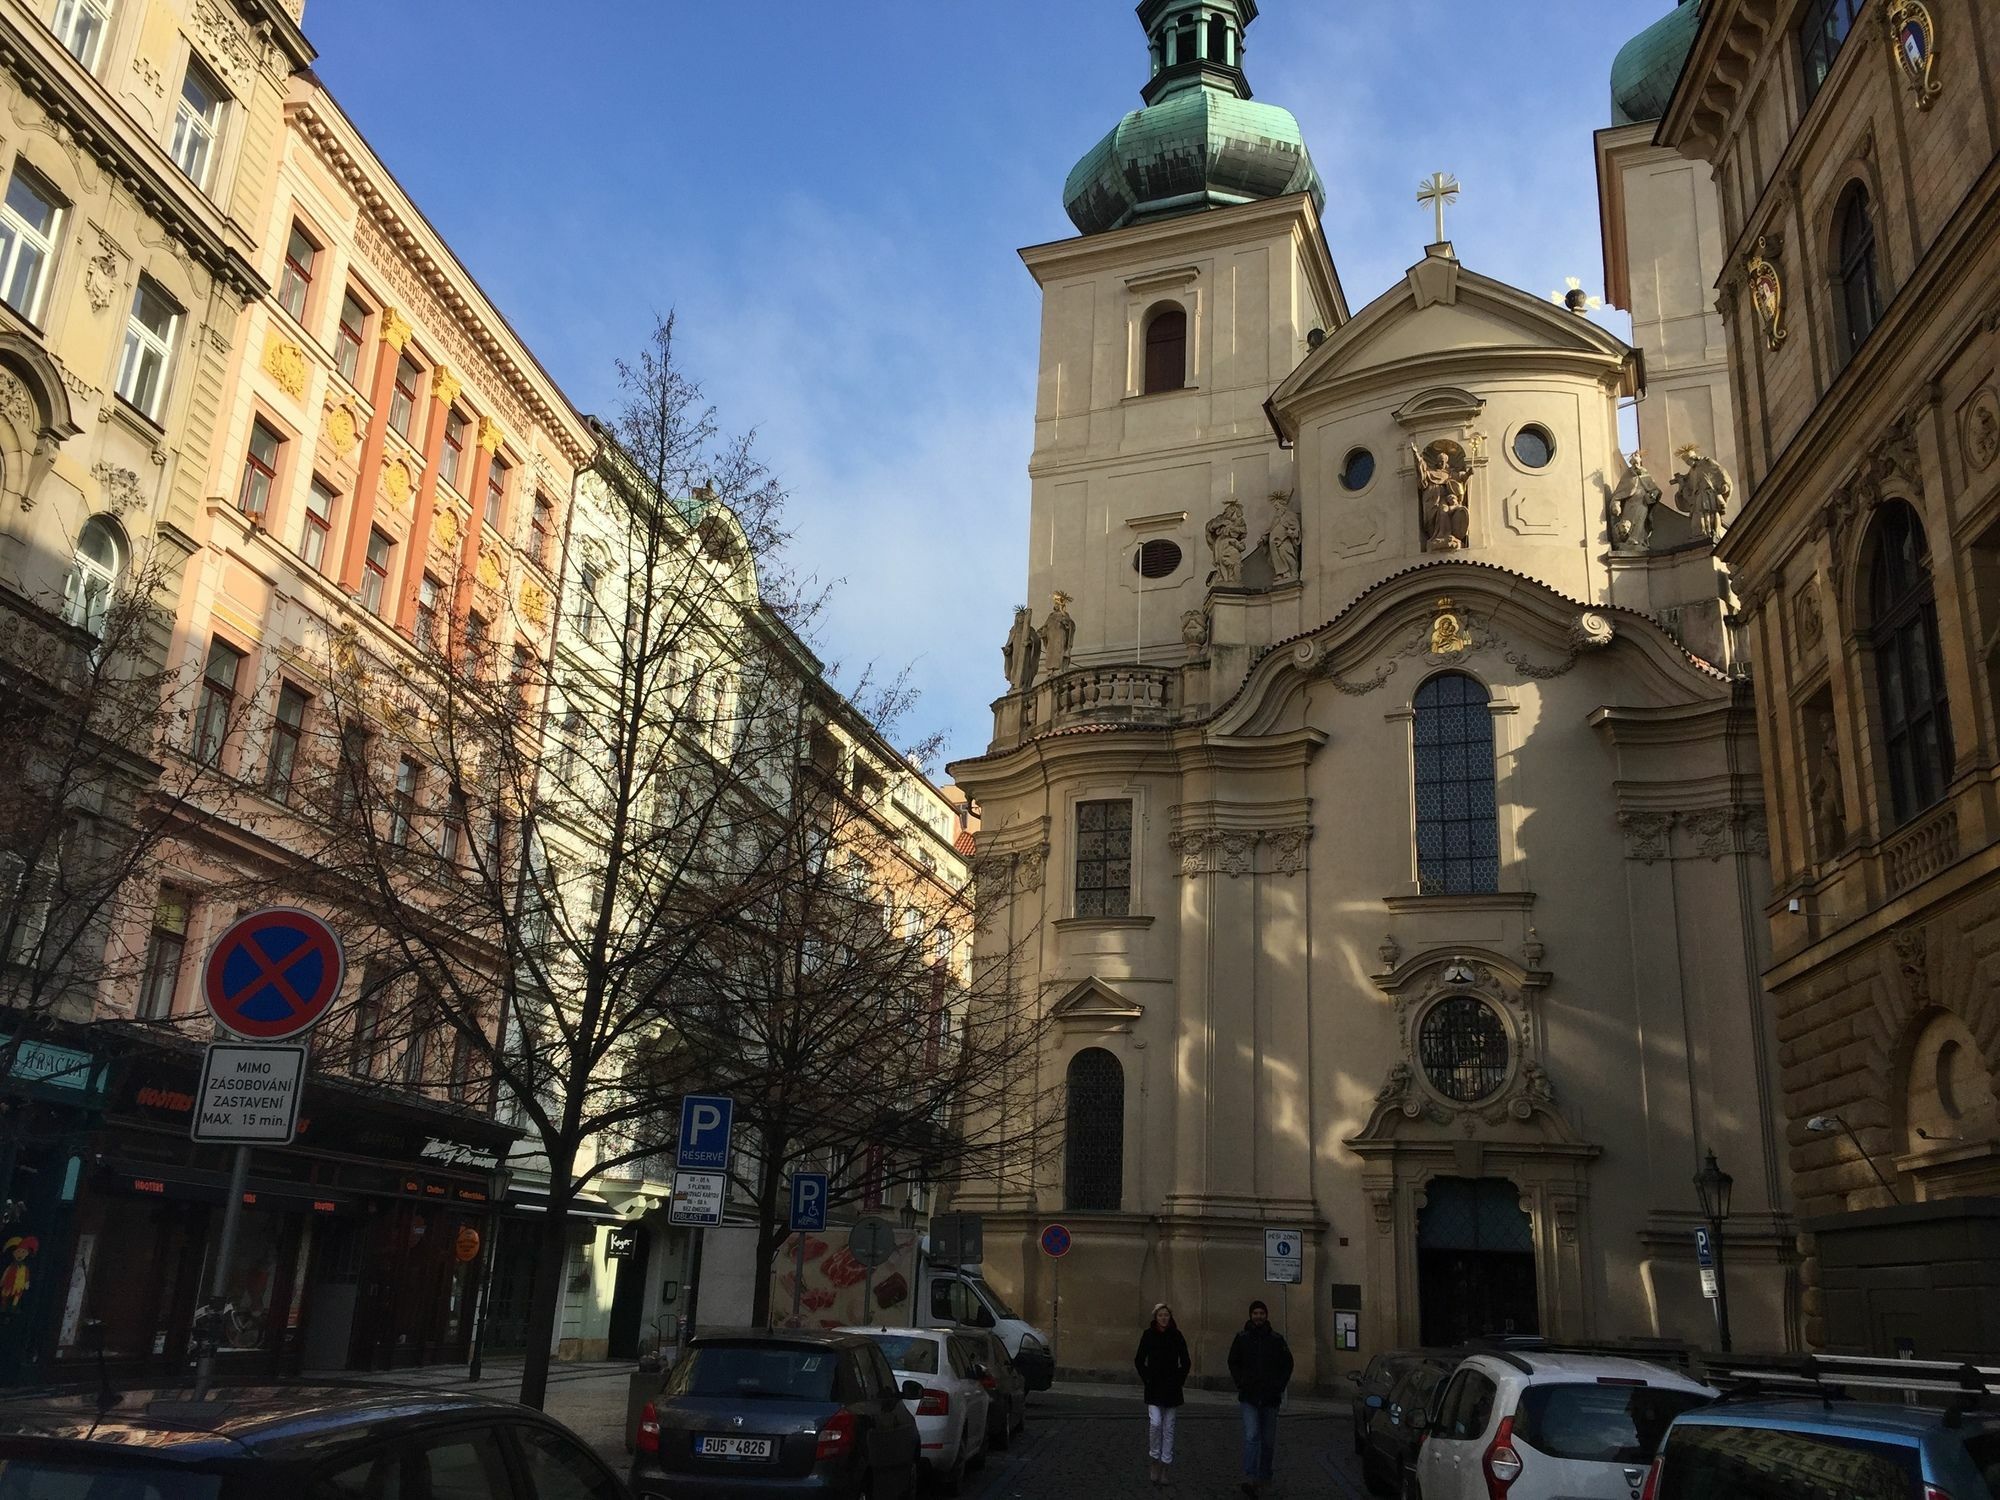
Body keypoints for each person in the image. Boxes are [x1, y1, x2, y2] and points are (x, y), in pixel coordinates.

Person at [1226, 1299, 1293, 1496]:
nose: (1258, 1316)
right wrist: (1241, 1381)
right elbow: (1233, 1362)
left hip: (1271, 1398)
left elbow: (1287, 1364)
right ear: (1250, 1315)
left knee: (1269, 1441)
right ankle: (1251, 1476)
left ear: (1266, 1315)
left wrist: (1279, 1386)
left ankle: (1265, 1476)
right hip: (1249, 1396)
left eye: (1261, 1313)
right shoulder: (1242, 1338)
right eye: (1255, 1313)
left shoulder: (1276, 1340)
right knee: (1252, 1436)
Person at [1134, 1302, 1191, 1487]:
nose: (1164, 1318)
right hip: (1154, 1387)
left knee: (1169, 1428)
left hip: (1172, 1387)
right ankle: (1154, 1459)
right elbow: (1139, 1360)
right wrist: (1147, 1378)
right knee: (1156, 1423)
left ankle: (1165, 1466)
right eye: (1160, 1315)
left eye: (1166, 1315)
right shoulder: (1148, 1335)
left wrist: (1179, 1379)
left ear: (1170, 1317)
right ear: (1155, 1317)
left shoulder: (1176, 1336)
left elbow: (1186, 1361)